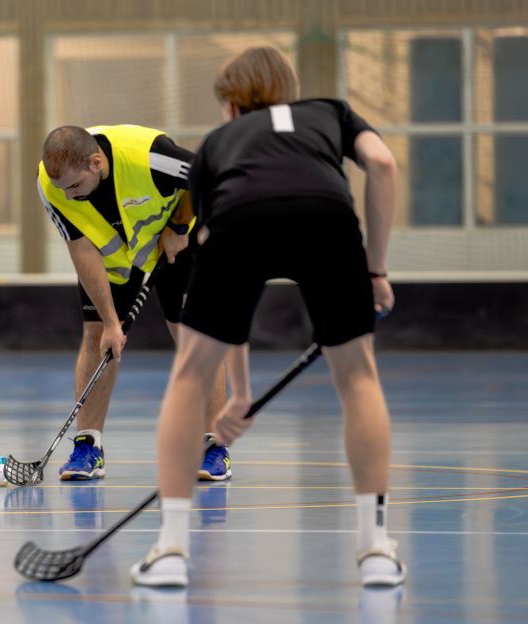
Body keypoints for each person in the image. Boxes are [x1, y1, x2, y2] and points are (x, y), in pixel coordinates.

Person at [131, 47, 404, 589]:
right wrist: (375, 270)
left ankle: (171, 551)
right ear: (290, 88)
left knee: (188, 377)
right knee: (358, 377)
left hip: (240, 218)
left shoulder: (214, 146)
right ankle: (374, 548)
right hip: (326, 216)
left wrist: (239, 396)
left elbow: (226, 289)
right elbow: (383, 163)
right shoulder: (331, 112)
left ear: (231, 105)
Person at [38, 124, 231, 482]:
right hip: (113, 259)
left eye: (76, 186)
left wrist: (180, 225)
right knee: (97, 336)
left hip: (175, 241)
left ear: (96, 162)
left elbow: (208, 174)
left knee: (194, 337)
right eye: (63, 189)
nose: (71, 196)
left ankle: (214, 447)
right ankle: (87, 447)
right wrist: (112, 322)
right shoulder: (53, 186)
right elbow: (81, 249)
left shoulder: (151, 156)